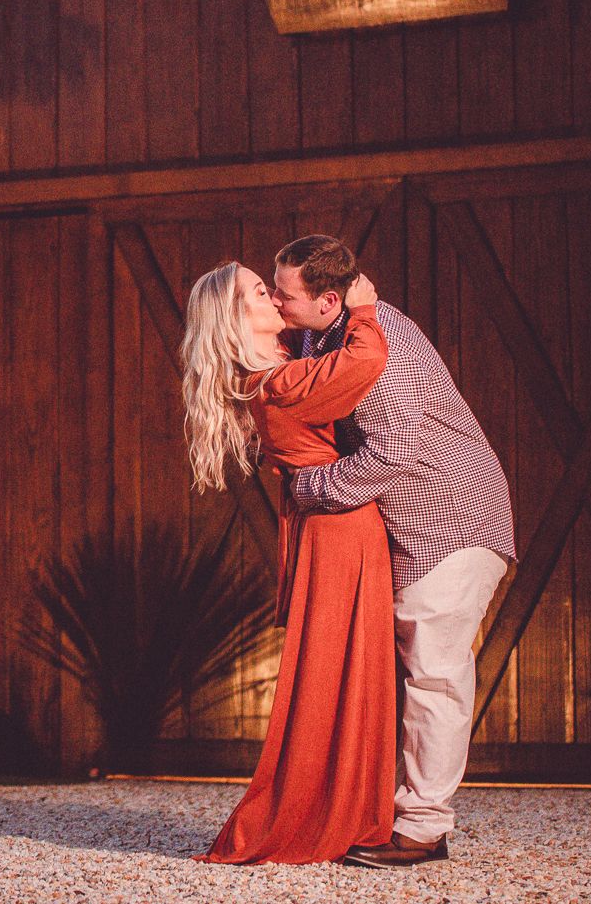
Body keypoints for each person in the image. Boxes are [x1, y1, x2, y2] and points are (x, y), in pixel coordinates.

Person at [272, 234, 518, 869]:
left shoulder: (388, 352)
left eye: (283, 294)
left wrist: (308, 487)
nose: (275, 302)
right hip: (409, 531)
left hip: (451, 524)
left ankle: (424, 828)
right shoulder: (328, 332)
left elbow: (393, 454)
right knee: (404, 674)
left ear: (328, 300)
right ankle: (375, 810)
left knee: (435, 675)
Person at [180, 260, 394, 864]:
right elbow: (365, 362)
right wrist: (363, 308)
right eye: (260, 291)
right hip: (338, 530)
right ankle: (321, 813)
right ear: (236, 317)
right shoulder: (277, 383)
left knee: (351, 667)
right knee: (337, 668)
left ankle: (349, 806)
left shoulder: (276, 370)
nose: (275, 298)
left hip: (334, 526)